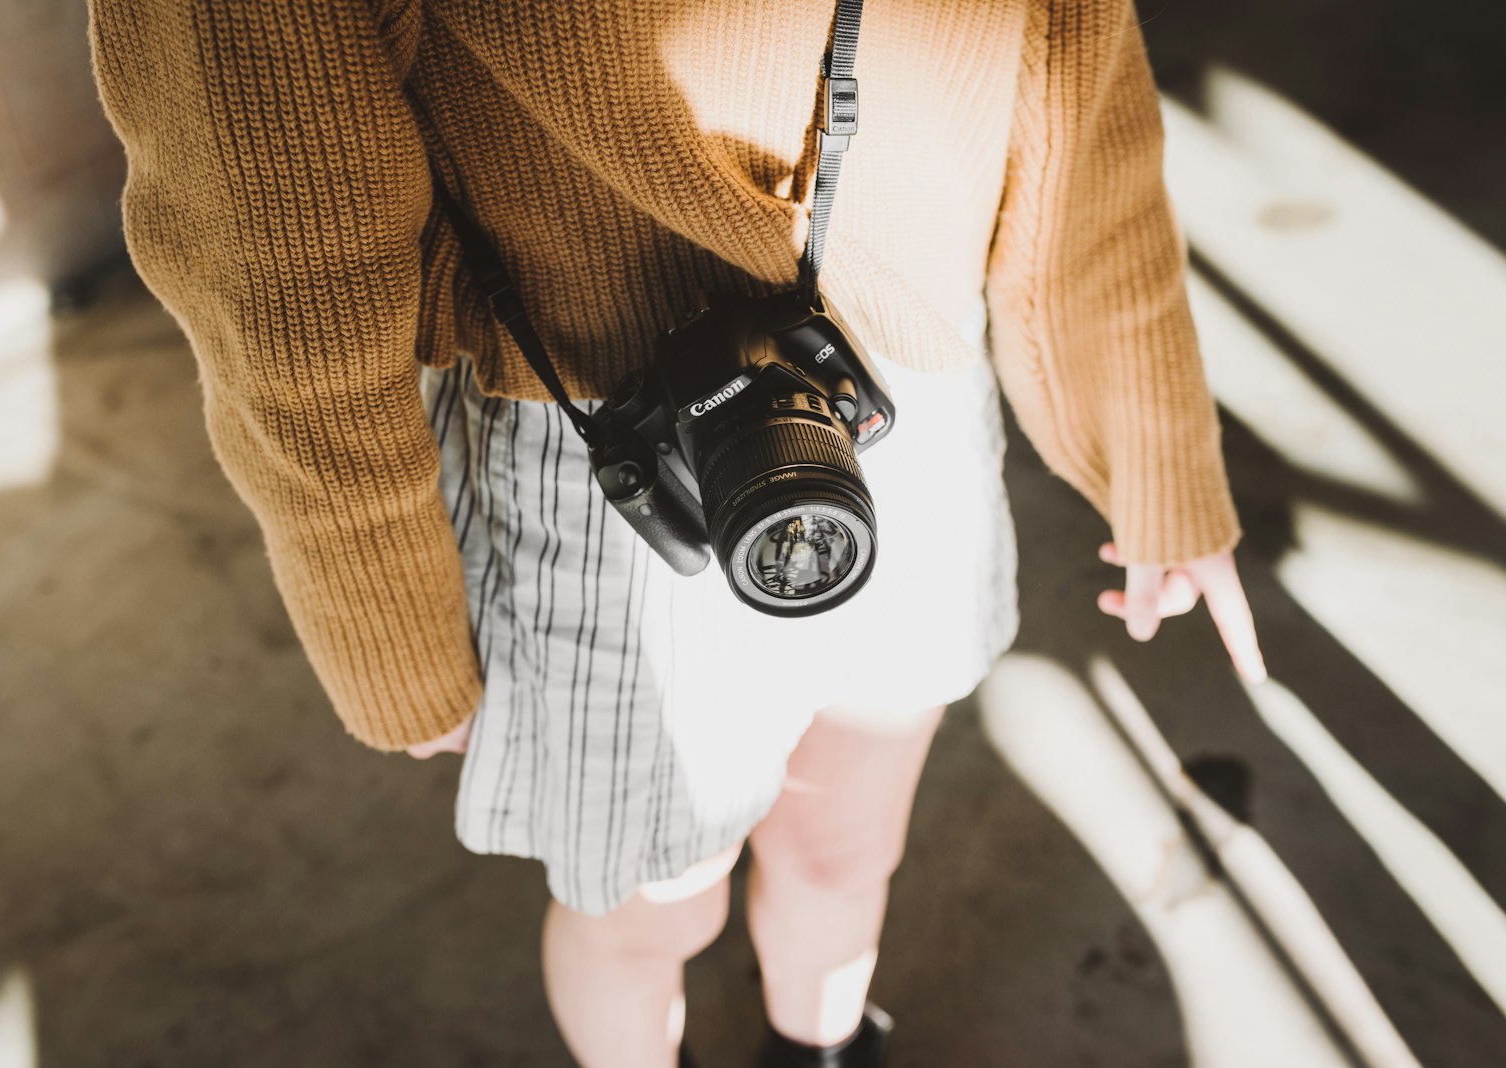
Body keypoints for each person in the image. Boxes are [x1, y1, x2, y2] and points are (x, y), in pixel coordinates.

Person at [87, 1, 1266, 1065]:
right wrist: (385, 614)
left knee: (846, 846)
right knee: (651, 903)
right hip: (601, 445)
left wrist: (1148, 445)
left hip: (898, 384)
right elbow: (279, 258)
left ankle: (824, 1048)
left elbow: (1076, 82)